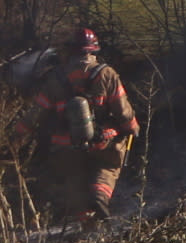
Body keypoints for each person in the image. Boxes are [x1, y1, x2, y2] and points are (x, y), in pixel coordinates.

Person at [8, 27, 137, 223]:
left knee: (73, 180)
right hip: (102, 140)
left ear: (70, 50)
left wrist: (15, 139)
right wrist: (133, 128)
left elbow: (35, 113)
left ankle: (86, 227)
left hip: (65, 144)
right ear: (93, 49)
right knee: (108, 167)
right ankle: (100, 197)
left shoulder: (55, 78)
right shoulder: (107, 74)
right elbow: (123, 111)